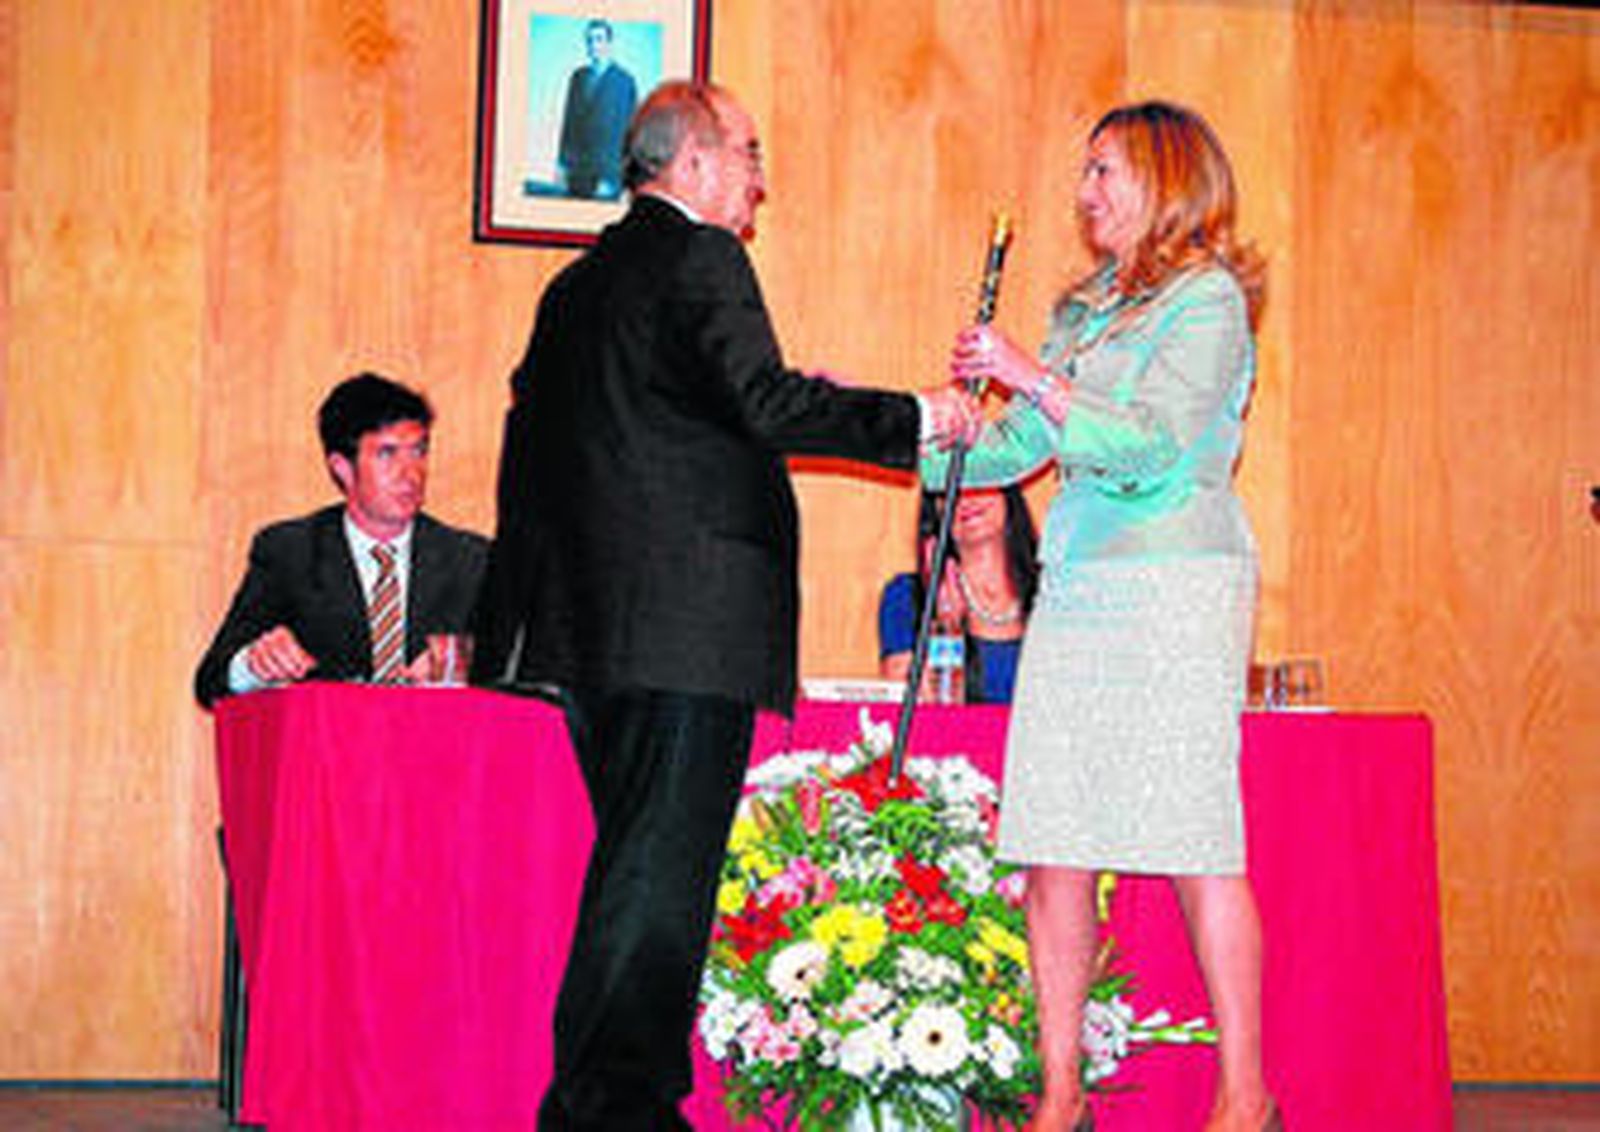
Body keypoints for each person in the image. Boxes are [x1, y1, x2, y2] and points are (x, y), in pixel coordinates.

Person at [470, 80, 977, 1131]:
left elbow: (611, 436)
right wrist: (916, 416)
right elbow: (764, 404)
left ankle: (615, 1102)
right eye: (748, 152)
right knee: (658, 882)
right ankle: (609, 1109)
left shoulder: (577, 286)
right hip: (684, 630)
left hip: (587, 631)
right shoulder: (703, 256)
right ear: (691, 164)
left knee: (633, 870)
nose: (759, 178)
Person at [937, 101, 1280, 1132]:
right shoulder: (1083, 309)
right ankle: (1058, 1096)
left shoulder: (1208, 301)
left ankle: (1243, 1094)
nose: (1082, 193)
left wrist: (1025, 375)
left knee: (1192, 838)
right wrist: (909, 423)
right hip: (1080, 590)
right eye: (1082, 173)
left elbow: (1149, 442)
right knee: (1055, 839)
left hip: (1176, 587)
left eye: (1103, 171)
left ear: (1166, 179)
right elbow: (1008, 454)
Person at [194, 373, 488, 708]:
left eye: (419, 451)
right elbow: (210, 682)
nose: (411, 473)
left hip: (436, 754)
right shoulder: (290, 553)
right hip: (326, 755)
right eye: (387, 454)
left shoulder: (472, 560)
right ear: (342, 468)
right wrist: (254, 664)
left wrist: (462, 663)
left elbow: (520, 674)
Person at [877, 486, 1038, 703]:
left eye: (979, 482)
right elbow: (906, 716)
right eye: (950, 489)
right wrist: (946, 630)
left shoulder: (1056, 593)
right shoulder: (907, 597)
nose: (966, 499)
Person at [556, 18, 637, 200]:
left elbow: (629, 131)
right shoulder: (578, 77)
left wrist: (619, 178)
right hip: (577, 174)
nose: (594, 45)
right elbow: (568, 124)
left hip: (607, 176)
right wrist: (562, 164)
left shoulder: (624, 81)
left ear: (609, 43)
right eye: (590, 40)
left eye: (599, 39)